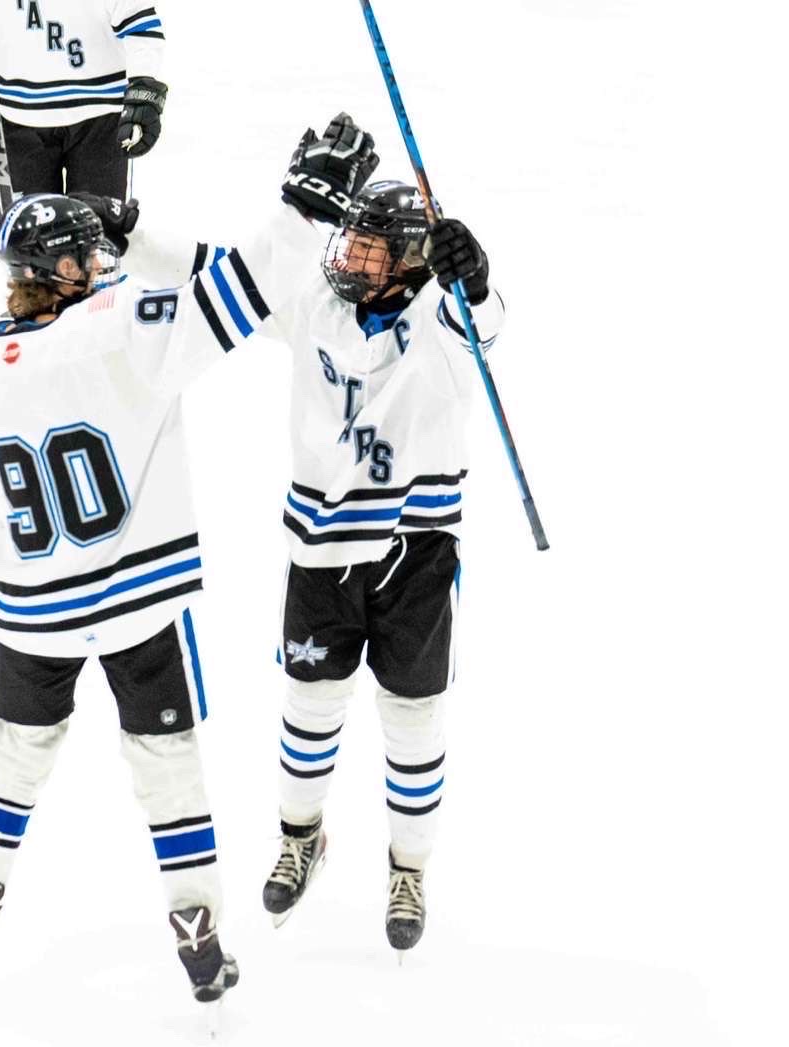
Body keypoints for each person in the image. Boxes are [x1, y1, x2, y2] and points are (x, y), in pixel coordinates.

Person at [0, 114, 377, 1004]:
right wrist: (302, 207)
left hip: (33, 609)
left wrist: (24, 330)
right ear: (61, 271)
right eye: (87, 258)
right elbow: (243, 292)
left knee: (11, 756)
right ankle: (198, 937)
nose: (103, 265)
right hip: (135, 601)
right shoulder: (127, 321)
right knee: (166, 759)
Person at [121, 173, 505, 955]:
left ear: (406, 261)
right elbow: (214, 266)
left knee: (411, 719)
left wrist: (477, 278)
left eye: (368, 248)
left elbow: (484, 327)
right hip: (320, 551)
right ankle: (301, 836)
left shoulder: (441, 315)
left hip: (416, 554)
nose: (349, 257)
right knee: (308, 707)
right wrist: (128, 233)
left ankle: (408, 868)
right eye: (350, 240)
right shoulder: (316, 305)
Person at [0, 1, 168, 198]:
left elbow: (140, 25)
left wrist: (143, 86)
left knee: (100, 238)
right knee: (30, 243)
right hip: (20, 120)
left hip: (100, 121)